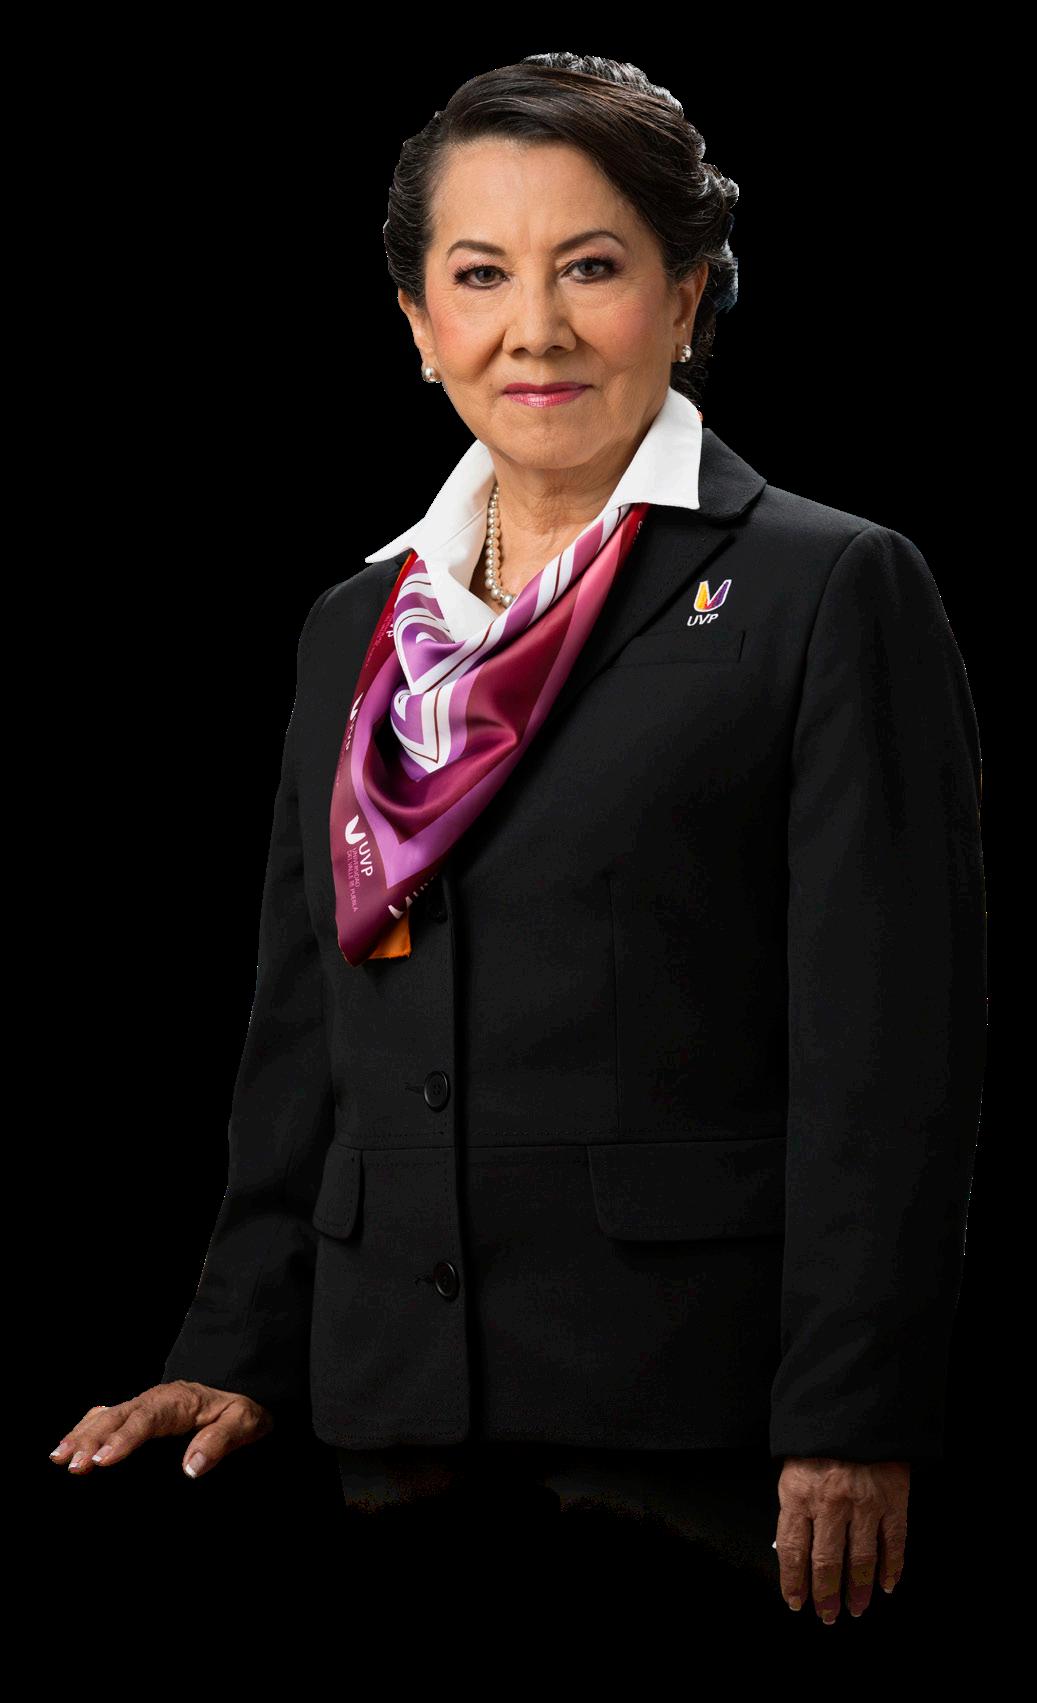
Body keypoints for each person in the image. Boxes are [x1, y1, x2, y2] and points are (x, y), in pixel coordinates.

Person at [48, 54, 986, 1627]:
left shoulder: (826, 589)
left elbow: (888, 1049)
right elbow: (303, 1034)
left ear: (684, 299)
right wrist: (232, 1347)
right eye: (479, 276)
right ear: (418, 324)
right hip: (386, 1409)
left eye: (590, 268)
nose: (532, 328)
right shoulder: (353, 624)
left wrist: (849, 1410)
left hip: (695, 1422)